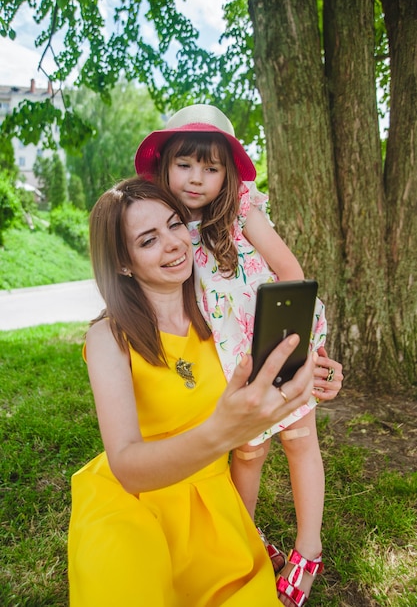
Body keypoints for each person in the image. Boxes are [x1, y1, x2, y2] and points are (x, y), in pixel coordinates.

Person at [67, 177, 321, 606]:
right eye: (148, 240)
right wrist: (224, 431)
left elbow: (275, 369)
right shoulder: (109, 338)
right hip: (132, 505)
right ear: (122, 263)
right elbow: (127, 465)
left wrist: (316, 371)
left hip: (213, 508)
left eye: (175, 225)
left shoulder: (223, 317)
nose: (173, 244)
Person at [134, 105, 343, 606]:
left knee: (299, 438)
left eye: (212, 167)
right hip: (230, 359)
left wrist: (309, 346)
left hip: (277, 338)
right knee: (247, 452)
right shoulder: (167, 223)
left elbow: (288, 267)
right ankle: (241, 541)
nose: (197, 178)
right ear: (165, 165)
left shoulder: (242, 209)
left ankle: (307, 549)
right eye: (186, 164)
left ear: (228, 175)